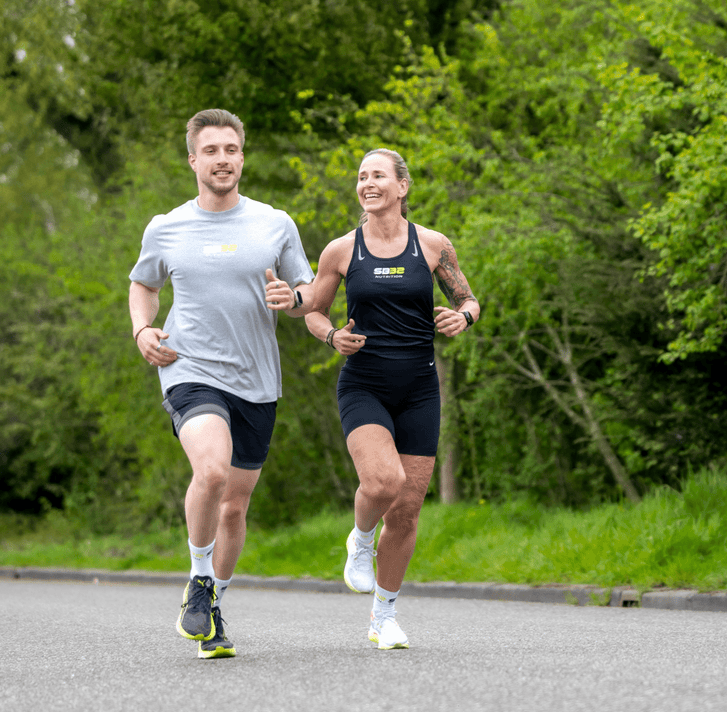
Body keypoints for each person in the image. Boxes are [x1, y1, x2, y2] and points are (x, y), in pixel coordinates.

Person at [128, 109, 315, 659]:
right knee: (210, 470)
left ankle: (211, 604)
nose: (223, 160)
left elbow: (306, 291)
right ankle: (199, 577)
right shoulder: (166, 226)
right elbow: (143, 285)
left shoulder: (274, 223)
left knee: (235, 506)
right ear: (193, 160)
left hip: (256, 379)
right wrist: (143, 329)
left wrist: (295, 300)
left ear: (242, 156)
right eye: (211, 151)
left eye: (231, 149)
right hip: (189, 368)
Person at [304, 148, 480, 650]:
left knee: (405, 511)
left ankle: (384, 617)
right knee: (383, 481)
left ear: (402, 186)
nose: (367, 183)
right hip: (364, 385)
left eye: (378, 175)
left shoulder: (432, 245)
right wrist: (331, 335)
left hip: (420, 389)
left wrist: (461, 317)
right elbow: (313, 310)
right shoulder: (341, 250)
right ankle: (359, 540)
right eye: (361, 177)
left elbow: (468, 298)